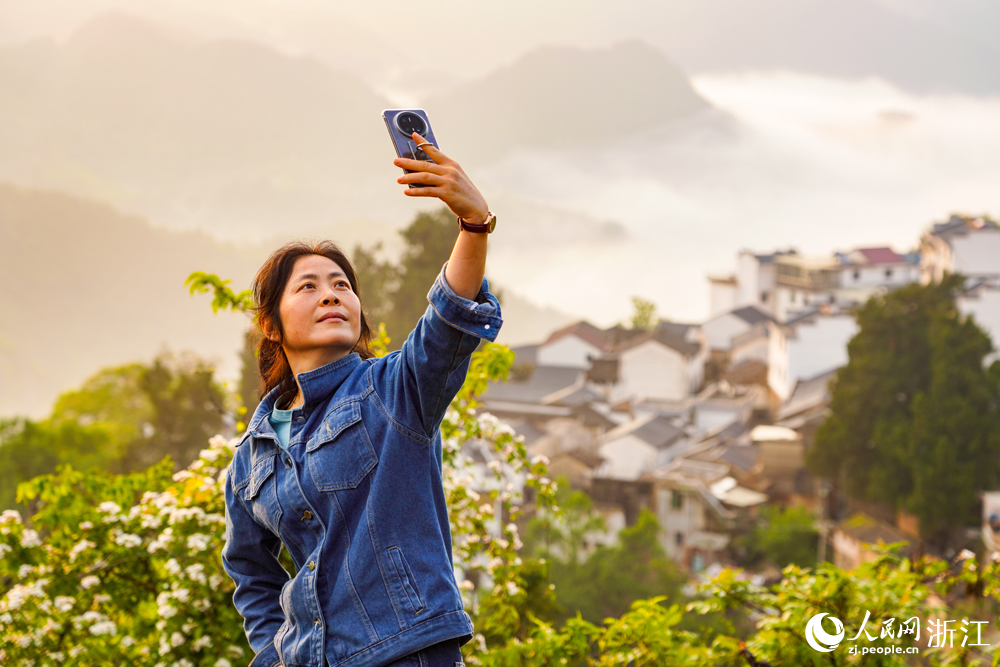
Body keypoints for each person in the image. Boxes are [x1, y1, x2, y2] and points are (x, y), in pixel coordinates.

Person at [222, 132, 501, 667]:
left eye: (341, 285)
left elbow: (447, 323)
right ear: (272, 326)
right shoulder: (250, 458)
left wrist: (473, 224)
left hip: (410, 653)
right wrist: (277, 653)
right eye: (307, 287)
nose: (331, 293)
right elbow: (250, 573)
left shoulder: (395, 392)